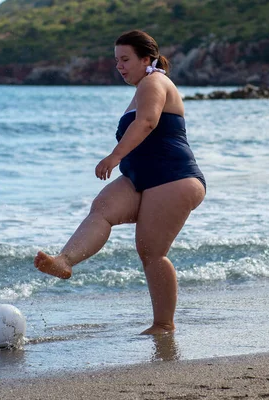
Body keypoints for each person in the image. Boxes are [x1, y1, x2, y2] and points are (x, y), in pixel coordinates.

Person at [34, 30, 206, 335]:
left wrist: (114, 156)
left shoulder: (154, 81)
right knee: (102, 208)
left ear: (146, 59)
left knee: (151, 251)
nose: (120, 66)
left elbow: (148, 122)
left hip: (173, 177)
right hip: (141, 179)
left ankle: (163, 325)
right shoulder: (143, 86)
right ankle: (64, 260)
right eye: (117, 61)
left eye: (126, 59)